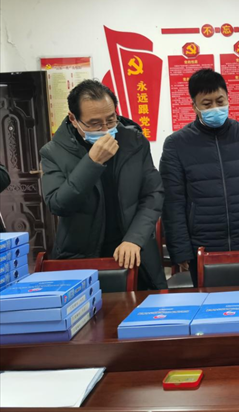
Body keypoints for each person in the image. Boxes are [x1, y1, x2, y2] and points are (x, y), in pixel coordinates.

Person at [40, 79, 167, 289]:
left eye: (110, 120)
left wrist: (134, 239)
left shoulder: (134, 141)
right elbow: (59, 205)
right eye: (95, 123)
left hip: (135, 252)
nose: (106, 129)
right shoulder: (53, 152)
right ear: (73, 119)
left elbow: (153, 194)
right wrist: (92, 162)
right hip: (82, 256)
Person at [160, 69, 239, 287]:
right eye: (207, 104)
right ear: (194, 106)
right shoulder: (176, 144)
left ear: (227, 98)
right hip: (203, 246)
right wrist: (180, 250)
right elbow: (173, 203)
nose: (215, 108)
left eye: (220, 101)